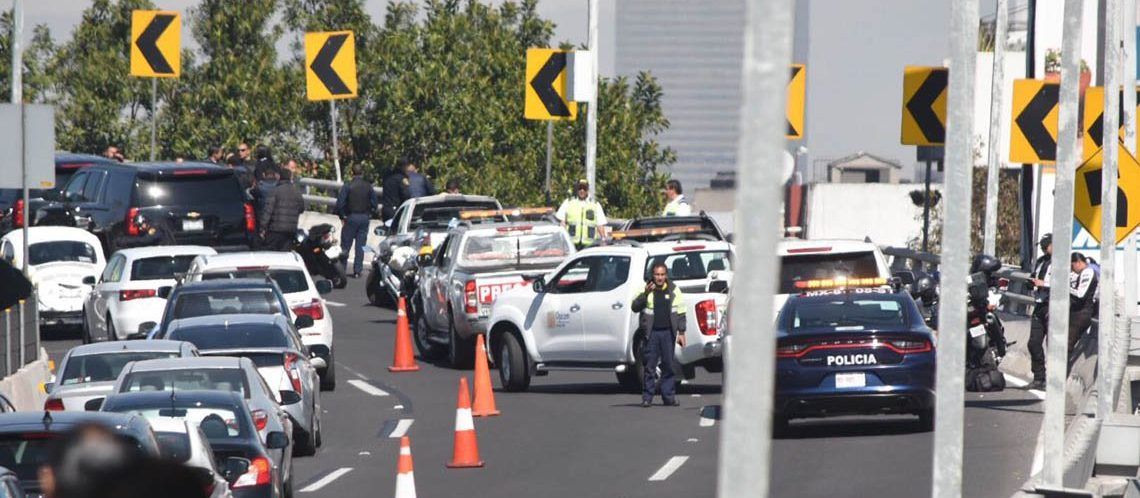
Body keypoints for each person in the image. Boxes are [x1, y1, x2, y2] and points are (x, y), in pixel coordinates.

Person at [631, 262, 686, 407]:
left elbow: (681, 312)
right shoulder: (646, 289)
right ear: (652, 275)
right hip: (651, 333)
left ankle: (669, 397)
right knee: (649, 366)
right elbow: (635, 306)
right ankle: (647, 398)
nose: (659, 278)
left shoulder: (674, 290)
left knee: (668, 365)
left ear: (666, 275)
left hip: (668, 332)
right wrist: (645, 293)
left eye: (662, 274)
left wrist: (681, 332)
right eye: (657, 275)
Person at [336, 165, 377, 278]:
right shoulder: (368, 187)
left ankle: (342, 270)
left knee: (345, 245)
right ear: (362, 173)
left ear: (352, 172)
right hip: (364, 218)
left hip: (351, 217)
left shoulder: (348, 186)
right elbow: (374, 204)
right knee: (360, 245)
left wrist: (343, 216)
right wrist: (369, 214)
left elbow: (340, 203)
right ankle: (357, 270)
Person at [1027, 233, 1052, 390]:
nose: (1044, 249)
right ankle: (1038, 377)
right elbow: (1034, 276)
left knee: (1053, 345)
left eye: (1046, 245)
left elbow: (1066, 282)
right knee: (1034, 343)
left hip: (1053, 305)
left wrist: (1045, 283)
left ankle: (1052, 380)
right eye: (1042, 246)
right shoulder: (1041, 261)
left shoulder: (1063, 262)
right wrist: (1031, 282)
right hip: (1039, 304)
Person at [259, 166, 304, 251]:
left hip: (275, 230)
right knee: (285, 255)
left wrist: (262, 227)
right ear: (291, 178)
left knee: (272, 254)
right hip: (290, 230)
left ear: (279, 177)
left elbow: (268, 211)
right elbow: (302, 208)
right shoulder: (297, 192)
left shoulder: (275, 191)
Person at [555, 179, 607, 249]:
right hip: (571, 244)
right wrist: (561, 241)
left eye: (584, 188)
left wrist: (603, 240)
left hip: (589, 245)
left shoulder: (595, 204)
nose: (582, 191)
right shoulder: (568, 202)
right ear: (577, 189)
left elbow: (600, 224)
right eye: (580, 188)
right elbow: (562, 224)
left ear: (587, 190)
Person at [1068, 252, 1098, 351]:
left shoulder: (1088, 272)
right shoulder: (1080, 273)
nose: (1072, 270)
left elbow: (1081, 294)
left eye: (1072, 266)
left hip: (1082, 313)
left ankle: (1059, 366)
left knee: (1067, 344)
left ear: (1078, 262)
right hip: (1075, 312)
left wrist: (1066, 288)